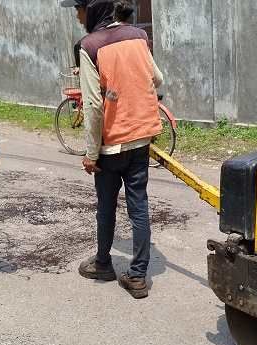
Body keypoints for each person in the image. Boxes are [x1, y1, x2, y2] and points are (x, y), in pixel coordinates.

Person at [77, 0, 164, 299]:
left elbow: (92, 106)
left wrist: (90, 153)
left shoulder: (89, 46)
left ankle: (103, 264)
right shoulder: (138, 36)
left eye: (79, 11)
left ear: (91, 12)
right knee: (139, 206)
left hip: (111, 145)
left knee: (106, 207)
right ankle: (138, 276)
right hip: (141, 138)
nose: (78, 17)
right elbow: (158, 79)